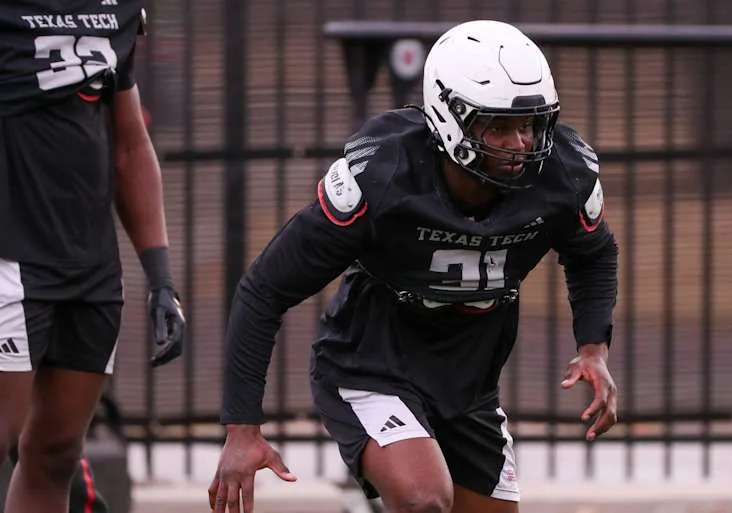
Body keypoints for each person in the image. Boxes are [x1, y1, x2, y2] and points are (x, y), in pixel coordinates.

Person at [210, 19, 618, 513]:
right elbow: (265, 288)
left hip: (468, 388)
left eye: (530, 125)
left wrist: (592, 346)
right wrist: (241, 429)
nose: (521, 145)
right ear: (449, 118)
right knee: (424, 499)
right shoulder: (384, 176)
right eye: (500, 126)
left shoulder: (562, 176)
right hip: (371, 365)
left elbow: (593, 253)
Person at [0, 2, 186, 512]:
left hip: (90, 268)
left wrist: (161, 277)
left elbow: (130, 145)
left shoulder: (116, 10)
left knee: (55, 454)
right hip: (10, 258)